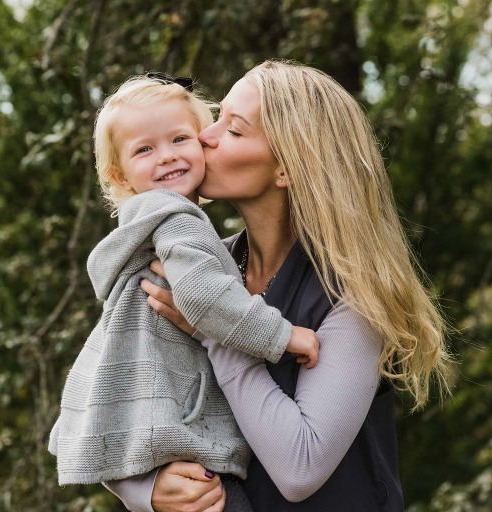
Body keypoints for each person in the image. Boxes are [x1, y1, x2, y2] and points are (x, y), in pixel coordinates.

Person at [107, 60, 452, 512]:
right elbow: (117, 393)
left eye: (234, 130)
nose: (204, 135)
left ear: (286, 168)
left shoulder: (352, 296)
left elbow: (300, 467)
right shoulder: (197, 267)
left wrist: (215, 330)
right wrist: (144, 489)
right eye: (218, 118)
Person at [48, 74, 319, 511]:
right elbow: (203, 297)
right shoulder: (177, 220)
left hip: (160, 420)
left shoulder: (152, 224)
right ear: (120, 174)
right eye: (145, 149)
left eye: (179, 138)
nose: (168, 157)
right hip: (186, 434)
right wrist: (284, 336)